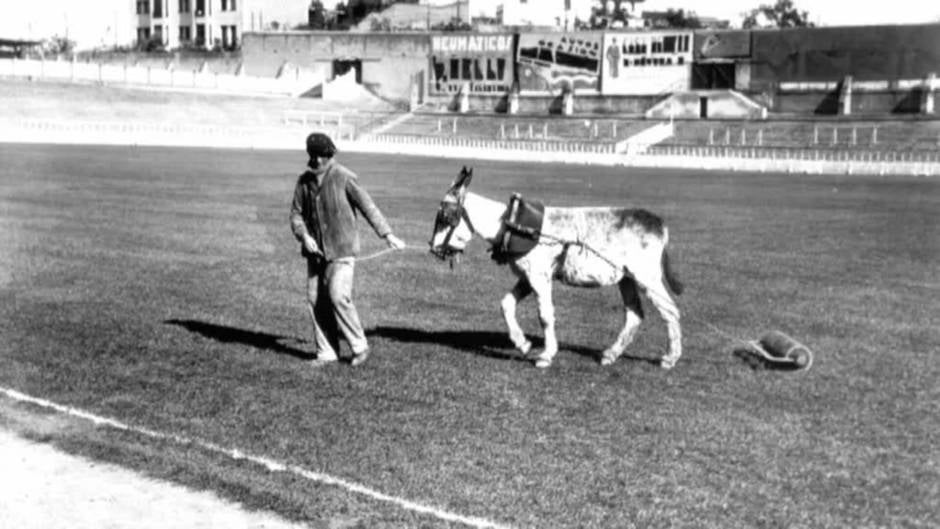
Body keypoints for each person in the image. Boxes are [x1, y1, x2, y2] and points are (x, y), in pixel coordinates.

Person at [290, 132, 406, 366]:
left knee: (338, 296)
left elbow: (368, 206)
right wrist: (304, 236)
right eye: (320, 155)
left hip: (342, 249)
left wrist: (388, 234)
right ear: (312, 156)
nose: (324, 159)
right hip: (315, 254)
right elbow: (295, 215)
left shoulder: (344, 177)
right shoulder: (304, 182)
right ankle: (327, 352)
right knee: (315, 300)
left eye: (327, 155)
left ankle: (359, 346)